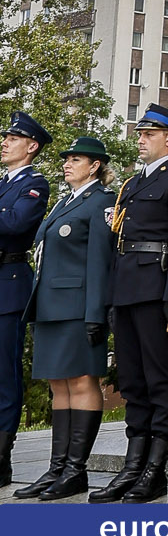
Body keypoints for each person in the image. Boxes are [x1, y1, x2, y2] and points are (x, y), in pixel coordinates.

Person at [89, 105, 168, 506]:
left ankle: (155, 470)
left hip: (155, 290)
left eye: (149, 133)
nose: (140, 138)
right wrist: (110, 299)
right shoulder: (133, 183)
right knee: (133, 379)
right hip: (127, 290)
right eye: (140, 132)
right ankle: (132, 466)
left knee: (160, 379)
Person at [12, 135, 115, 500]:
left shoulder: (102, 202)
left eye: (77, 158)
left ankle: (75, 470)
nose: (68, 163)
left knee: (83, 382)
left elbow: (101, 261)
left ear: (95, 166)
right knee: (59, 383)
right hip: (52, 305)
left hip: (78, 306)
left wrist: (95, 313)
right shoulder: (65, 202)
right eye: (67, 158)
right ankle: (57, 467)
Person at [0, 111, 52, 488]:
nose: (4, 142)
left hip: (9, 283)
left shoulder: (35, 184)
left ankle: (2, 458)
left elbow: (16, 224)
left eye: (12, 138)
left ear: (31, 146)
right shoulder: (4, 184)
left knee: (4, 375)